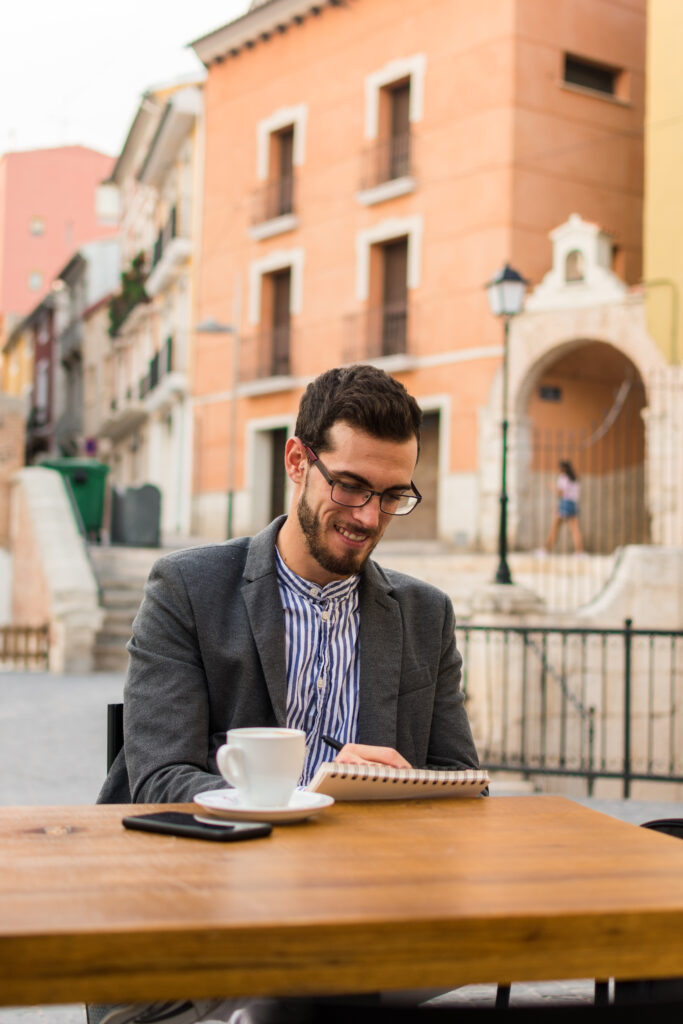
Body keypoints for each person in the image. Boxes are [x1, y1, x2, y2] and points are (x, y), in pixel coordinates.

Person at [95, 364, 481, 1024]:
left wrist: (399, 783)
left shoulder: (425, 615)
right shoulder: (188, 591)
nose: (368, 517)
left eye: (393, 496)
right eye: (351, 487)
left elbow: (456, 782)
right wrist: (310, 795)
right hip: (200, 926)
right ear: (297, 460)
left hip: (362, 924)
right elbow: (157, 778)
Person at [542, 459, 584, 554]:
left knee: (555, 528)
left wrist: (552, 486)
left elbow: (561, 492)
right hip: (573, 503)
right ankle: (579, 552)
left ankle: (546, 550)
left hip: (565, 503)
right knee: (575, 530)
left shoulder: (563, 477)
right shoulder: (575, 478)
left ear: (562, 469)